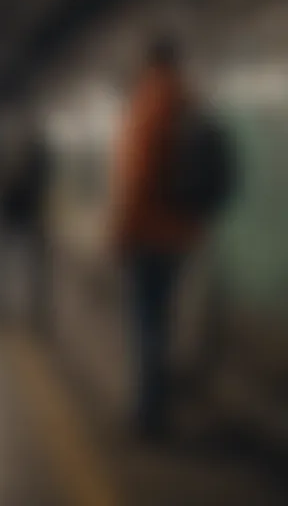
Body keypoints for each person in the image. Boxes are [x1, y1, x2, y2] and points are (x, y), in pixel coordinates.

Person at [110, 36, 206, 441]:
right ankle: (161, 401)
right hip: (181, 233)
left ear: (149, 60)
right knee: (162, 320)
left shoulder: (149, 104)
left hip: (147, 233)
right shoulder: (190, 101)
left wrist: (120, 233)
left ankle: (149, 414)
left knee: (146, 325)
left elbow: (136, 177)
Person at [0, 117, 52, 331]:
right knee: (30, 264)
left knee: (2, 262)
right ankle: (34, 307)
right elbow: (43, 182)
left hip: (8, 212)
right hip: (23, 213)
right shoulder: (36, 151)